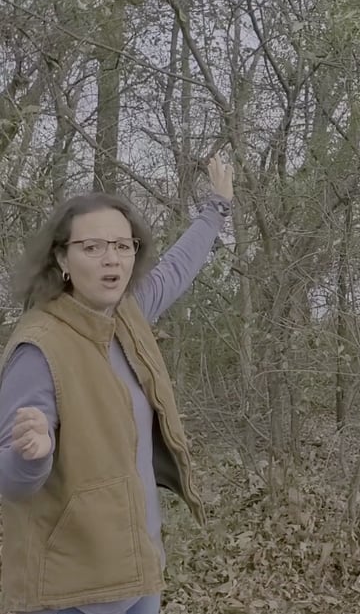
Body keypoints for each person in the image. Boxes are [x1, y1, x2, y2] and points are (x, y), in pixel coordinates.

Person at [0, 154, 234, 614]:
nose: (112, 259)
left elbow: (178, 268)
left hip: (137, 570)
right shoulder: (39, 349)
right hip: (75, 593)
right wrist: (33, 455)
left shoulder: (127, 315)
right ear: (62, 258)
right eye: (92, 248)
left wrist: (217, 208)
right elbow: (11, 481)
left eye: (123, 246)